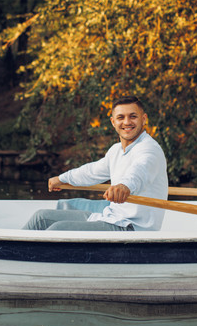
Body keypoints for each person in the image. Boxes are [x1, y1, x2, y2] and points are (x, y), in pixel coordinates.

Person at [22, 96, 168, 231]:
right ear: (113, 122)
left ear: (144, 119)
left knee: (58, 229)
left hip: (132, 227)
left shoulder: (149, 150)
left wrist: (124, 187)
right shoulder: (116, 150)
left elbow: (139, 172)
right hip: (111, 215)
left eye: (133, 116)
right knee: (40, 218)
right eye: (120, 117)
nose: (127, 122)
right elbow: (92, 171)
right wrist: (62, 178)